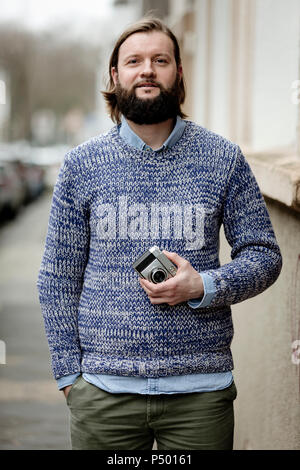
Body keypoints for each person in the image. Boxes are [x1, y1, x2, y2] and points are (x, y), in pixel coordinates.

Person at [37, 17, 282, 451]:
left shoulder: (223, 158)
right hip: (102, 393)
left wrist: (203, 285)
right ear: (115, 76)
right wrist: (69, 377)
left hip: (200, 395)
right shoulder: (81, 165)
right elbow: (57, 278)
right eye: (134, 61)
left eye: (160, 60)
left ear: (179, 73)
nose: (147, 69)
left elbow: (264, 254)